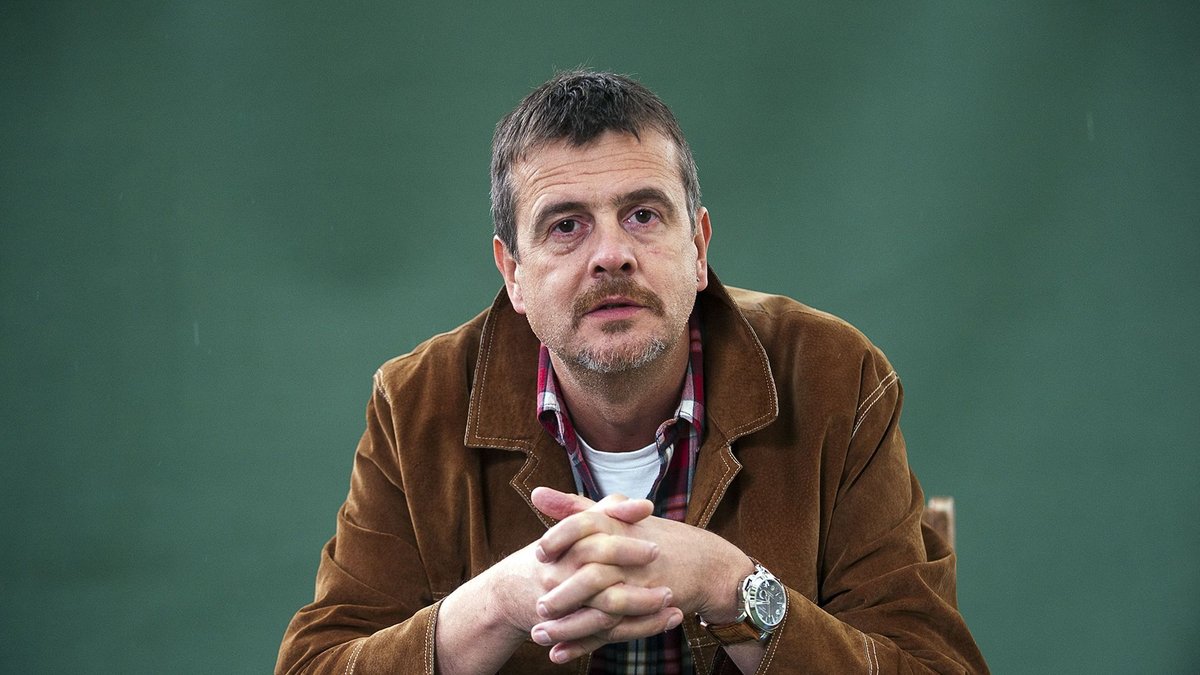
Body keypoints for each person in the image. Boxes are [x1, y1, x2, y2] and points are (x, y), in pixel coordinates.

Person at [277, 70, 988, 674]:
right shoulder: (415, 403)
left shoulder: (837, 378)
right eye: (566, 225)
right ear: (513, 273)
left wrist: (730, 584)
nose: (611, 254)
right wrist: (497, 603)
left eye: (643, 215)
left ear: (698, 247)